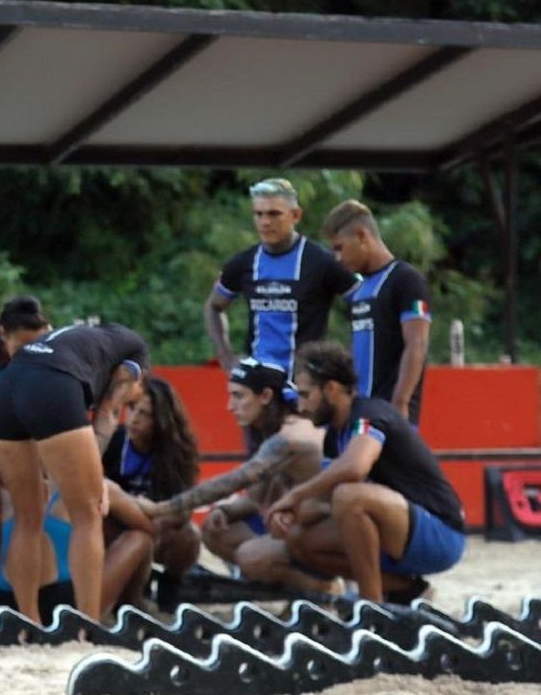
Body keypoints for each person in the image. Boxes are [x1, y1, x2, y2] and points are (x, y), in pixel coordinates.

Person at [266, 342, 465, 603]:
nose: (301, 406)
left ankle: (371, 605)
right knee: (299, 540)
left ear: (331, 389)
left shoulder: (369, 414)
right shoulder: (333, 438)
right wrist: (291, 514)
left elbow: (355, 467)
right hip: (398, 531)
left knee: (350, 496)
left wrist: (295, 496)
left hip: (440, 535)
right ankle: (407, 589)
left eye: (305, 395)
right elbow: (323, 500)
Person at [0, 323, 148, 623]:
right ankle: (87, 624)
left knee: (26, 517)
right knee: (88, 513)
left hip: (4, 388)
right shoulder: (134, 352)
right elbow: (108, 412)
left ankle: (27, 622)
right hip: (52, 385)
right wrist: (95, 478)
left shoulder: (83, 344)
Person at [143, 358, 336, 594]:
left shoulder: (290, 437)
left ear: (265, 396)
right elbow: (255, 499)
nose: (230, 406)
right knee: (216, 529)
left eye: (238, 396)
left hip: (324, 532)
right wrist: (226, 511)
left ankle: (326, 589)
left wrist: (162, 508)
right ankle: (288, 583)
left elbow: (233, 481)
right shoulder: (272, 432)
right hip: (298, 525)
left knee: (250, 557)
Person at [204, 178, 357, 377]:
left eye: (274, 214)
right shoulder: (243, 262)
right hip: (257, 382)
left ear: (296, 215)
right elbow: (213, 306)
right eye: (259, 214)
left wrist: (346, 360)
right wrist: (225, 357)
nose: (265, 222)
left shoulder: (322, 262)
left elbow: (366, 304)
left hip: (305, 382)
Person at [322, 199, 431, 424]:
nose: (338, 258)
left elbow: (417, 343)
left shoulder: (405, 280)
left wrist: (400, 402)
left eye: (340, 248)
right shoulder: (360, 289)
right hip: (361, 410)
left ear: (362, 236)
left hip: (390, 412)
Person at [0, 480, 157, 623]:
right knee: (139, 538)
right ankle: (130, 604)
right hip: (63, 602)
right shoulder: (94, 484)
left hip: (4, 602)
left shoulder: (7, 487)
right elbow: (148, 528)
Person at [101, 377, 201, 579]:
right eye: (132, 408)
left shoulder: (178, 452)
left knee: (189, 537)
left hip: (159, 526)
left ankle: (172, 583)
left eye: (144, 413)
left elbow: (184, 508)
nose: (134, 419)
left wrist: (156, 523)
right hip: (115, 523)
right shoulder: (112, 441)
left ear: (161, 419)